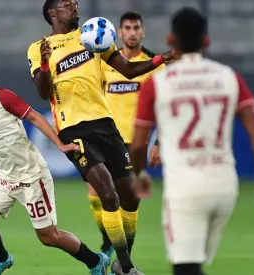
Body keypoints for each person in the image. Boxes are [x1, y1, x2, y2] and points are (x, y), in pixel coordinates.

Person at [27, 1, 173, 274]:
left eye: (75, 3)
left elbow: (127, 69)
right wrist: (46, 64)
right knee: (107, 192)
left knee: (130, 196)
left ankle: (120, 261)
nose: (74, 6)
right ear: (53, 13)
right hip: (73, 129)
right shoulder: (38, 48)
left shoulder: (92, 34)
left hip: (105, 124)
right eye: (67, 4)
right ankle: (127, 268)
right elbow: (42, 91)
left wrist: (159, 59)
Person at [130, 7, 254, 275]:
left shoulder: (158, 83)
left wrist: (139, 174)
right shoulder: (229, 77)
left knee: (185, 267)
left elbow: (139, 143)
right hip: (225, 187)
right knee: (195, 264)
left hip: (185, 189)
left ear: (170, 40)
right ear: (206, 41)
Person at [0, 56, 110, 275]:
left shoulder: (2, 97)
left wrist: (60, 144)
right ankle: (3, 260)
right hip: (3, 176)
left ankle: (94, 261)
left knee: (48, 236)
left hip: (31, 175)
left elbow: (34, 117)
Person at [88, 11, 165, 262]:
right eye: (127, 28)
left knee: (128, 201)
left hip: (136, 145)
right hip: (106, 139)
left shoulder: (154, 64)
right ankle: (109, 240)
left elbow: (164, 106)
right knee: (96, 199)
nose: (132, 33)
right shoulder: (105, 62)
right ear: (119, 33)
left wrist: (159, 143)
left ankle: (123, 256)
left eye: (136, 28)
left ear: (142, 32)